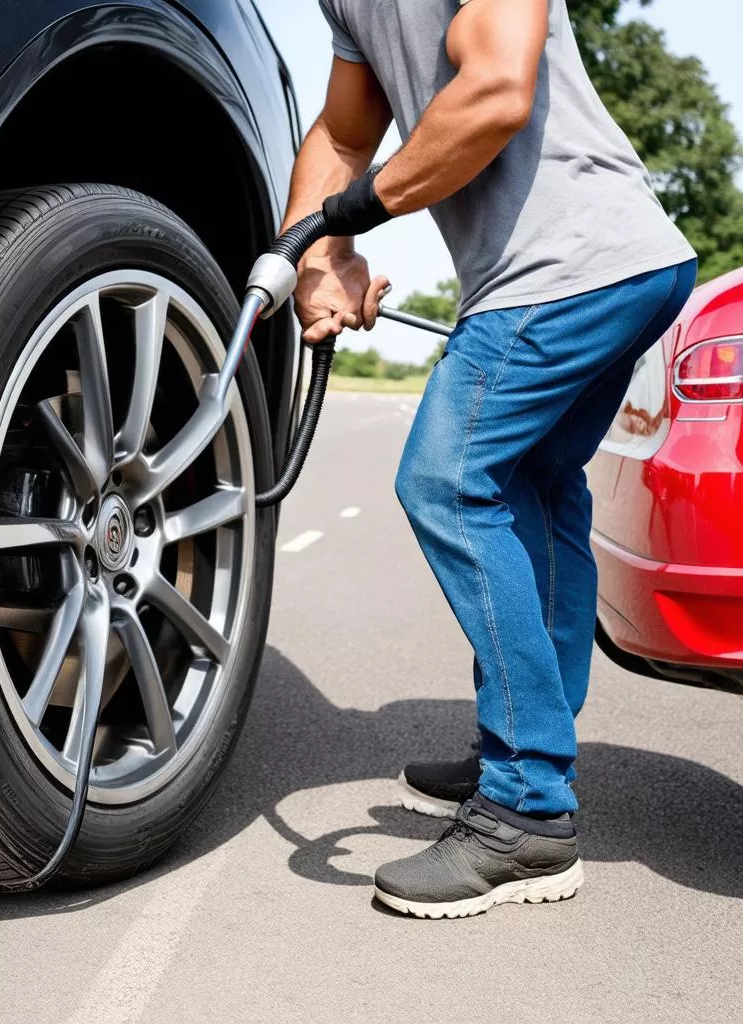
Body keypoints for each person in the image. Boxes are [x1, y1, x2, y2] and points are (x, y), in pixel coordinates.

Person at [283, 0, 697, 918]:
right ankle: (527, 737)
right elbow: (342, 134)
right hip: (603, 268)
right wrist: (321, 255)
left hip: (570, 267)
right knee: (532, 486)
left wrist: (358, 212)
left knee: (447, 480)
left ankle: (527, 814)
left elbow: (498, 89)